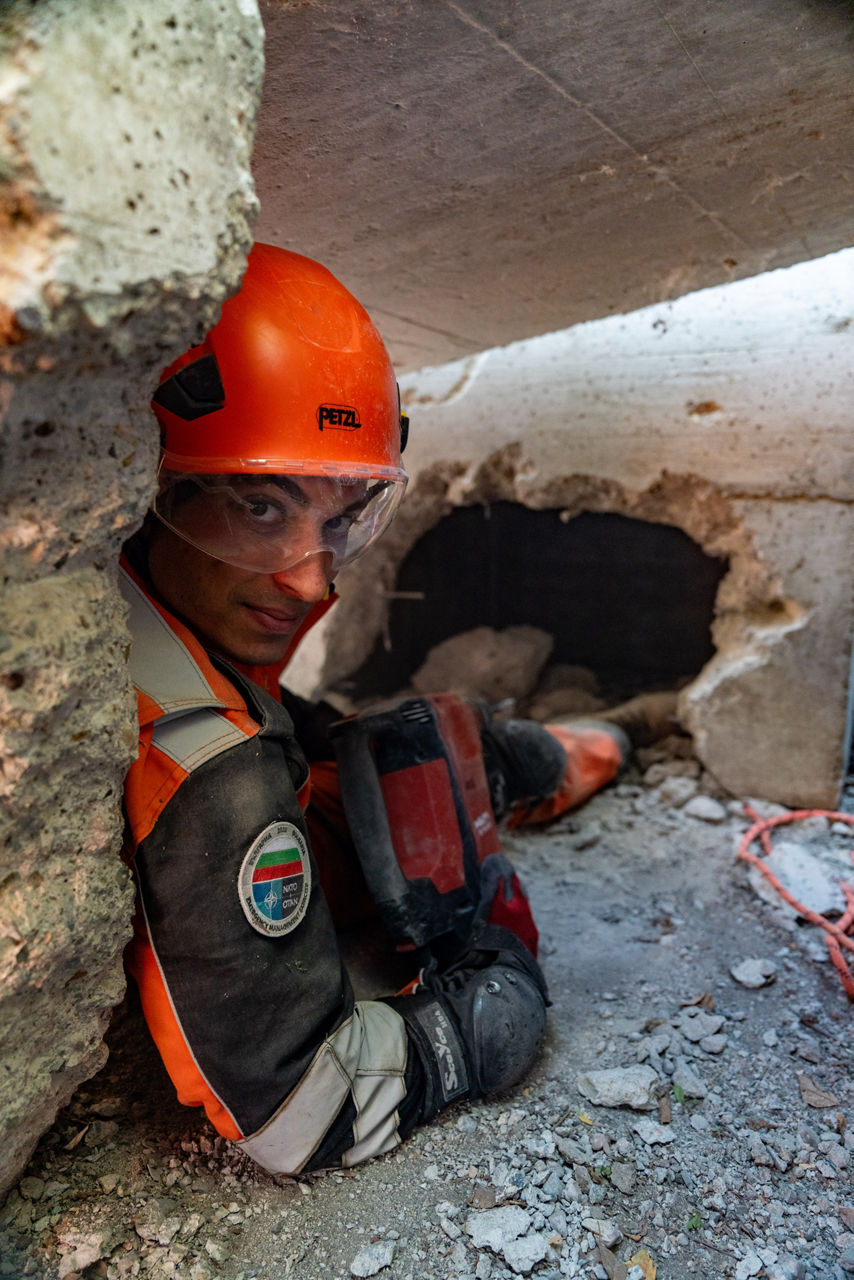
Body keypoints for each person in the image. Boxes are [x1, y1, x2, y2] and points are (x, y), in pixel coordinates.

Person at [119, 243, 662, 1176]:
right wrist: (491, 1006)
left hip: (289, 769)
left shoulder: (136, 598)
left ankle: (606, 739)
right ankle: (604, 741)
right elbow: (305, 1114)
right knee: (437, 764)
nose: (313, 575)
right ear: (156, 487)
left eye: (343, 518)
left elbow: (276, 721)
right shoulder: (214, 772)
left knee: (424, 744)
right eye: (258, 506)